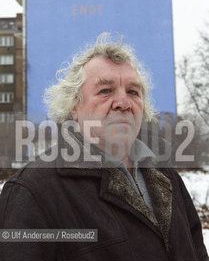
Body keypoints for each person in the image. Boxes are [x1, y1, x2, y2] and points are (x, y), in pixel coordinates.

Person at [0, 33, 208, 261]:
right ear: (74, 107)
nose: (124, 103)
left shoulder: (167, 176)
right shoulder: (32, 191)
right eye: (105, 91)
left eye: (133, 92)